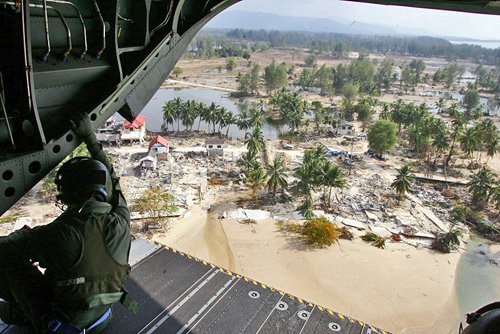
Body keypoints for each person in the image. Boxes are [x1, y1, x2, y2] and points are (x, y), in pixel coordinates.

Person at [0, 113, 137, 333]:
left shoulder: (61, 233)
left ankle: (21, 313)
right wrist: (89, 137)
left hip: (63, 327)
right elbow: (112, 181)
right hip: (102, 320)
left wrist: (22, 234)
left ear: (71, 194)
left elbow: (10, 246)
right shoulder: (121, 220)